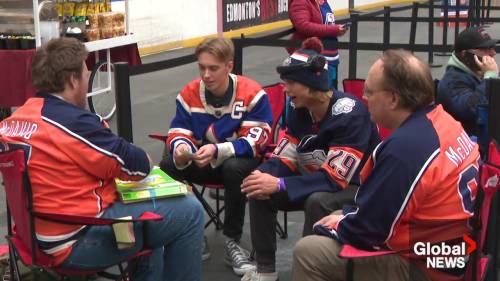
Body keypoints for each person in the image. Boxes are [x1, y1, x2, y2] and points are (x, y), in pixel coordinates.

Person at [0, 37, 204, 281]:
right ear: (73, 80)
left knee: (156, 222)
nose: (88, 81)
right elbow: (137, 167)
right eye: (86, 74)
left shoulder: (14, 120)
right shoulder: (74, 122)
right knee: (190, 212)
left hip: (33, 236)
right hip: (77, 239)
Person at [293, 49, 481, 281]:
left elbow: (368, 230)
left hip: (428, 265)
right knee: (337, 213)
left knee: (308, 251)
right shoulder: (444, 120)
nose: (364, 97)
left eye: (370, 91)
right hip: (452, 250)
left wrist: (332, 226)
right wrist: (345, 216)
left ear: (393, 98)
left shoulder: (405, 147)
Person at [240, 37, 380, 281]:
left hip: (359, 186)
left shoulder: (349, 113)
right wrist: (263, 175)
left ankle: (308, 270)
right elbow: (285, 157)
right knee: (260, 189)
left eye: (292, 82)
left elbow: (335, 180)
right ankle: (266, 269)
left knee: (318, 200)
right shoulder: (298, 110)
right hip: (317, 180)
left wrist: (281, 184)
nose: (285, 89)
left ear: (313, 84)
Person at [160, 37, 273, 276]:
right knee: (168, 165)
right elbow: (178, 130)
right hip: (203, 160)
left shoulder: (252, 93)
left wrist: (217, 150)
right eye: (202, 67)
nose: (206, 74)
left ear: (229, 66)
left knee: (233, 167)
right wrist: (181, 150)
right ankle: (192, 232)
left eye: (213, 68)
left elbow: (257, 140)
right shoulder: (189, 93)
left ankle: (232, 240)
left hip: (240, 161)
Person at [437, 26, 499, 136]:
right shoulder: (452, 82)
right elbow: (471, 109)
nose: (493, 53)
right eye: (485, 49)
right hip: (473, 143)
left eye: (492, 47)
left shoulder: (477, 71)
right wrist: (490, 78)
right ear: (464, 54)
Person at [288, 0, 348, 89]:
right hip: (313, 61)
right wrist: (334, 30)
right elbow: (303, 26)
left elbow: (326, 23)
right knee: (316, 95)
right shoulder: (300, 2)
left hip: (330, 58)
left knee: (330, 93)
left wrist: (337, 29)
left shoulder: (322, 1)